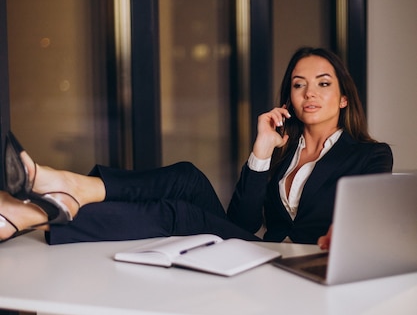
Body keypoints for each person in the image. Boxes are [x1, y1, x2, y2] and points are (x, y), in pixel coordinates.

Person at [0, 47, 393, 247]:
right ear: (288, 96)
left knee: (184, 216)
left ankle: (39, 209)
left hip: (299, 270)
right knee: (186, 176)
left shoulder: (370, 156)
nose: (310, 92)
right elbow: (241, 224)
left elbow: (364, 230)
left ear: (344, 98)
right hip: (257, 252)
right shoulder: (281, 150)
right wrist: (261, 151)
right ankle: (63, 195)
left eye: (323, 83)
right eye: (298, 83)